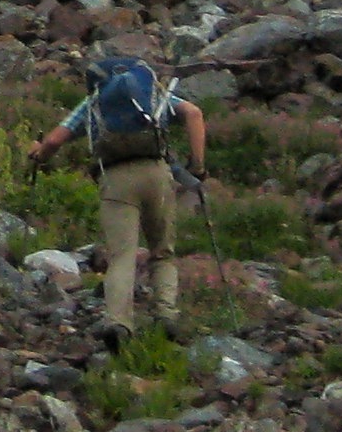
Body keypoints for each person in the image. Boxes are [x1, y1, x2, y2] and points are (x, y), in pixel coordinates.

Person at [25, 50, 207, 335]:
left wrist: (39, 155)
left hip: (115, 178)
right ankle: (166, 317)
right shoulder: (153, 96)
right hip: (157, 174)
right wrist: (197, 168)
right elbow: (194, 113)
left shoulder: (94, 103)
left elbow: (55, 140)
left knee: (123, 255)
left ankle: (119, 323)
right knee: (162, 252)